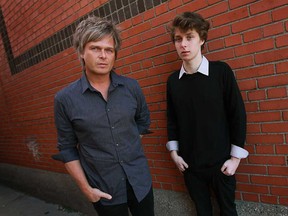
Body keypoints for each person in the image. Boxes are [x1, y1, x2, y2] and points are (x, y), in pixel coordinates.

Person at [53, 16, 154, 216]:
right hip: (103, 189)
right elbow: (67, 149)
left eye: (109, 50)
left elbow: (143, 122)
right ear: (81, 52)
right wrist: (86, 189)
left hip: (140, 181)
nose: (103, 56)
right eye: (95, 48)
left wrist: (126, 141)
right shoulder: (65, 99)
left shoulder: (131, 87)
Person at [166, 12, 249, 216]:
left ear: (202, 39)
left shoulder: (221, 72)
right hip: (191, 166)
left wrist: (235, 159)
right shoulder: (173, 81)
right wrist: (174, 154)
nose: (183, 44)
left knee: (228, 211)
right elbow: (172, 119)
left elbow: (237, 114)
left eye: (189, 37)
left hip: (221, 164)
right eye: (178, 39)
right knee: (202, 211)